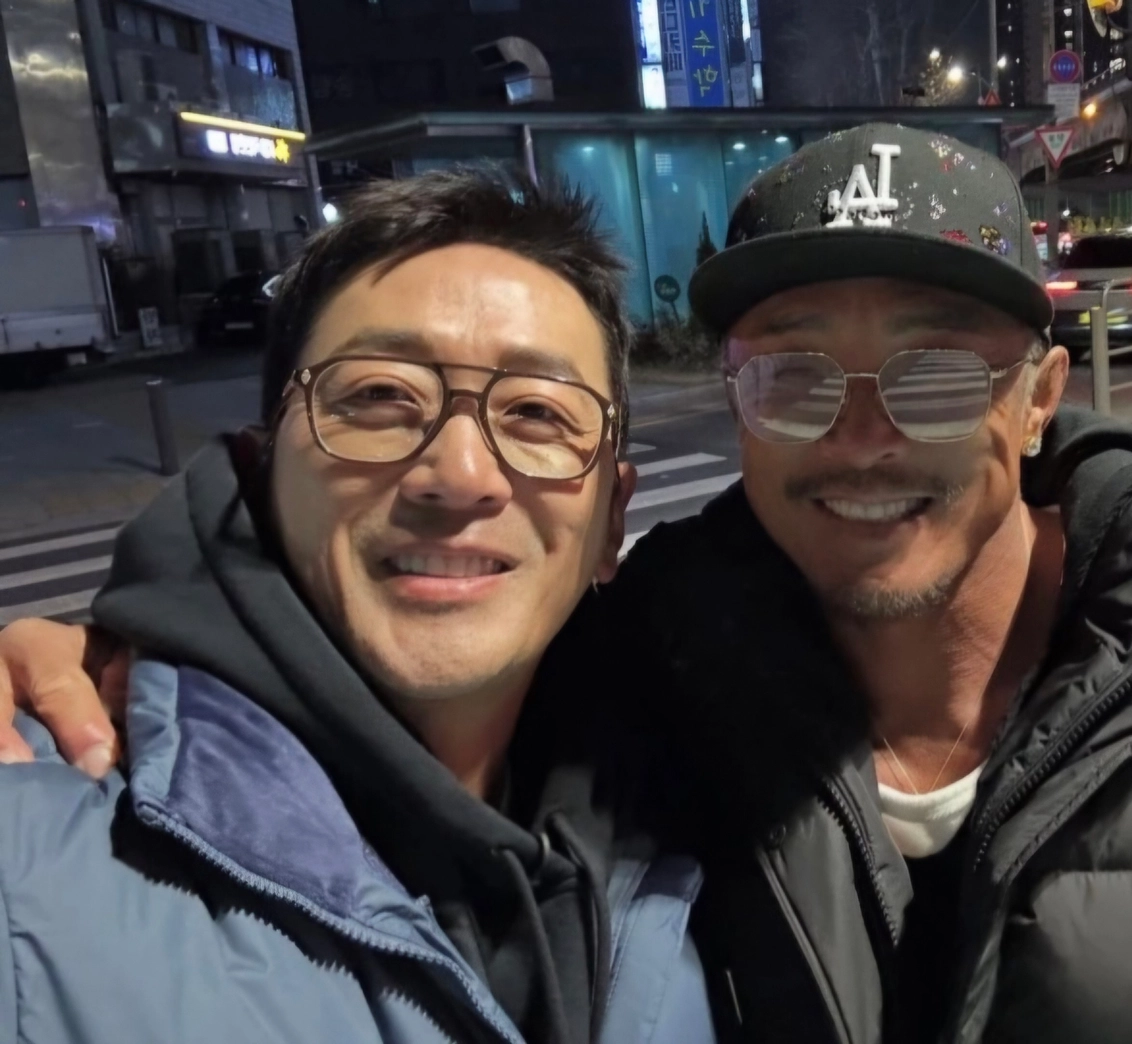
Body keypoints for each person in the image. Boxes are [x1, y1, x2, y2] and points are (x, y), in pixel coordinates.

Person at [6, 123, 1132, 1043]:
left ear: (1036, 399)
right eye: (794, 376)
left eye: (935, 376)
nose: (863, 438)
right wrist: (126, 648)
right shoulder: (656, 674)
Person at [0, 170, 714, 1044]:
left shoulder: (692, 795)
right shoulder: (33, 865)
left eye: (537, 412)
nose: (461, 475)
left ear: (611, 520)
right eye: (378, 396)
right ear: (261, 472)